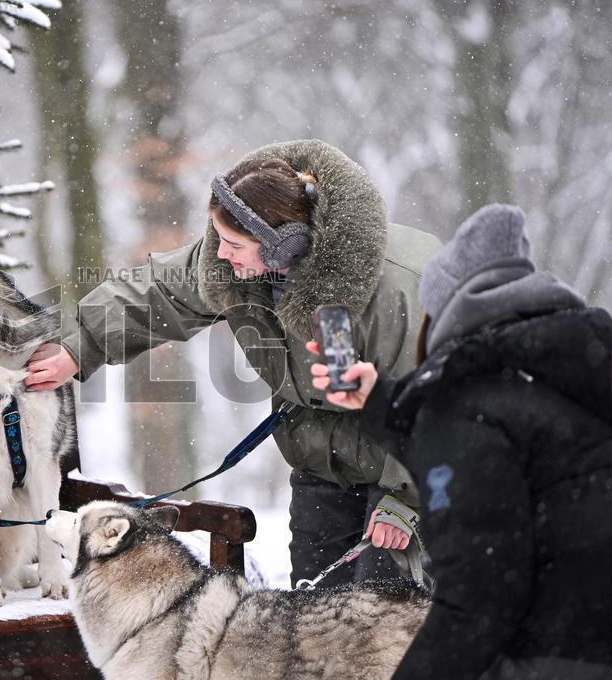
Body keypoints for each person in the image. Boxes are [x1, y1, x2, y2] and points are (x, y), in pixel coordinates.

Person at [25, 139, 442, 586]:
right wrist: (78, 347)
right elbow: (158, 293)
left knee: (385, 609)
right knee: (315, 612)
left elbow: (439, 400)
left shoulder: (398, 288)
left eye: (233, 243)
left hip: (413, 465)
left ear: (284, 246)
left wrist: (406, 500)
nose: (221, 253)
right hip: (321, 458)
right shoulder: (237, 266)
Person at [311, 204, 612, 679]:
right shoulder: (567, 368)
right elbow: (506, 446)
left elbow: (475, 605)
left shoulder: (467, 409)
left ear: (441, 313)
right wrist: (381, 404)